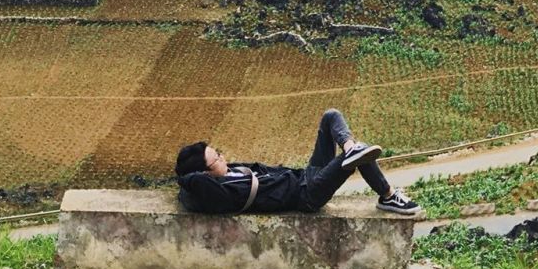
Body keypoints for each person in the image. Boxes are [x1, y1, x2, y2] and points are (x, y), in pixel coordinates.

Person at [174, 109, 418, 216]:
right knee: (358, 156)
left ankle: (350, 146)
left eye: (218, 152)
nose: (222, 158)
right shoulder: (219, 192)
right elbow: (189, 183)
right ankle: (388, 196)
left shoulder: (230, 172)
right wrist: (186, 175)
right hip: (307, 195)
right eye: (215, 159)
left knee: (331, 116)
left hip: (306, 176)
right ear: (204, 175)